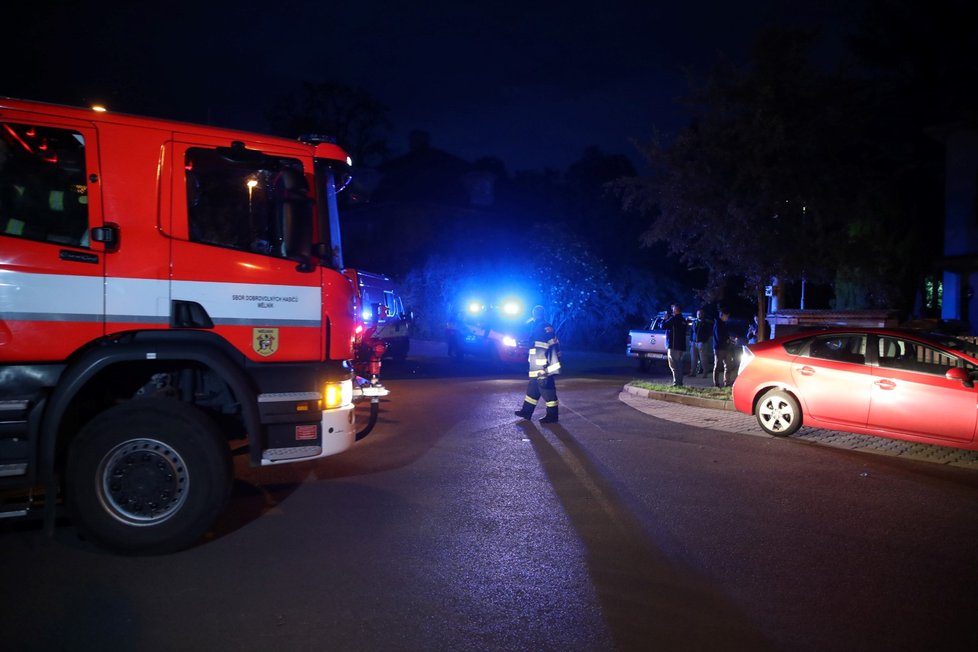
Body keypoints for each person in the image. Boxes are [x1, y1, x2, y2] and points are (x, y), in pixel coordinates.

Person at [514, 305, 561, 423]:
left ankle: (552, 416)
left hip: (542, 367)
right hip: (536, 366)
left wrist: (548, 368)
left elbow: (552, 347)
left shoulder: (543, 326)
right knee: (533, 390)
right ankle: (526, 411)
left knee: (547, 390)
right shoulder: (539, 326)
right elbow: (540, 344)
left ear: (535, 314)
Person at [662, 303, 687, 387]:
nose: (672, 309)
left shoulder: (673, 319)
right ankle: (680, 382)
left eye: (673, 308)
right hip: (681, 346)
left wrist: (664, 318)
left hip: (673, 346)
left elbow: (663, 326)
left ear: (676, 310)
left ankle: (676, 383)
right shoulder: (683, 320)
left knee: (674, 365)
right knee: (679, 364)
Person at [713, 308, 739, 387]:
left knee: (728, 365)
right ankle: (716, 383)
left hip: (725, 348)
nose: (727, 317)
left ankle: (726, 382)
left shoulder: (723, 323)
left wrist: (730, 339)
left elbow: (724, 335)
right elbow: (719, 337)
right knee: (718, 366)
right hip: (719, 348)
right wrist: (728, 340)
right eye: (726, 316)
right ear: (722, 315)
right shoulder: (718, 324)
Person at [690, 309, 714, 377]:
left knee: (703, 358)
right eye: (698, 314)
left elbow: (708, 333)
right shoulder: (694, 322)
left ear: (703, 314)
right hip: (694, 342)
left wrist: (704, 340)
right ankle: (693, 372)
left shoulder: (706, 323)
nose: (698, 315)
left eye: (700, 314)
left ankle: (705, 372)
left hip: (702, 343)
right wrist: (691, 340)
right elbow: (691, 331)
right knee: (693, 358)